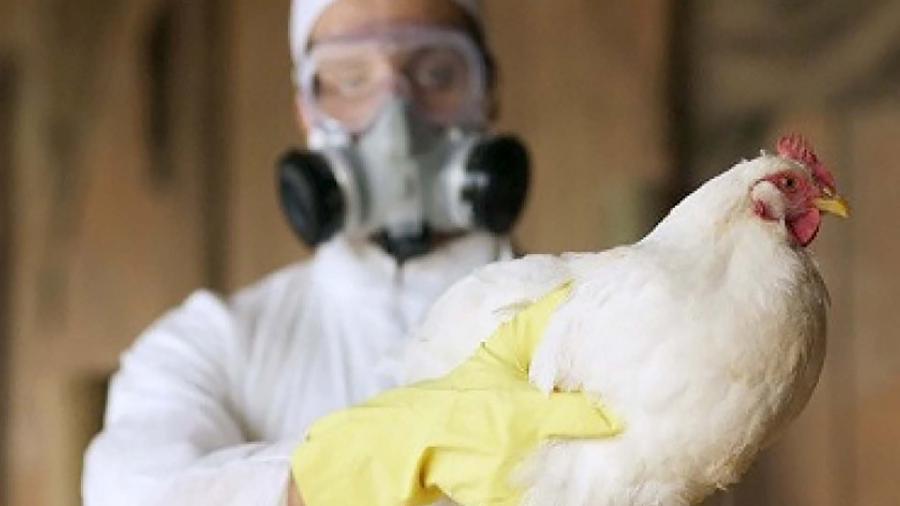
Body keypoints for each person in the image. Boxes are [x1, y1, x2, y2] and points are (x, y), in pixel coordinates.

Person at [83, 1, 609, 505]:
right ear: (305, 110)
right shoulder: (208, 346)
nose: (396, 121)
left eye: (436, 73)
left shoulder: (594, 332)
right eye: (352, 80)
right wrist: (340, 474)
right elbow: (131, 490)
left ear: (487, 92)